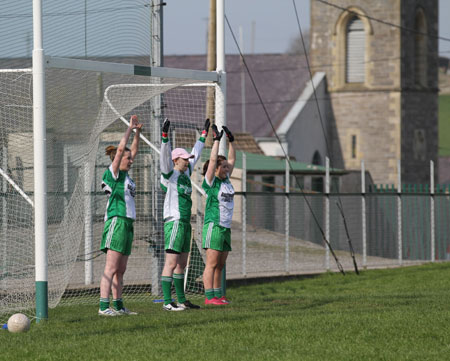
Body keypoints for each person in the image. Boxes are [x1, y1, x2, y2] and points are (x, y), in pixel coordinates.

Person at [159, 118, 210, 311]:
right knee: (171, 262)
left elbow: (196, 153)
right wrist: (165, 138)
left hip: (186, 222)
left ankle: (181, 300)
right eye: (184, 158)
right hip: (174, 222)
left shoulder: (186, 172)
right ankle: (167, 302)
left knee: (182, 263)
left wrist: (203, 136)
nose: (188, 160)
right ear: (175, 160)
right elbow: (164, 158)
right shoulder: (169, 174)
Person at [98, 115, 143, 316]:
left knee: (121, 269)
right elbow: (122, 150)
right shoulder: (114, 173)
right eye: (127, 158)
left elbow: (133, 150)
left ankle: (118, 305)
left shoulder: (126, 176)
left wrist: (138, 133)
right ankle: (103, 307)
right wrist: (129, 128)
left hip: (127, 224)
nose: (131, 159)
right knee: (111, 267)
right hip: (116, 222)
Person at [202, 125, 235, 305]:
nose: (226, 168)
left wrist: (231, 141)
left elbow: (231, 158)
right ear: (215, 169)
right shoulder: (212, 183)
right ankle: (209, 297)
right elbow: (213, 160)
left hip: (226, 228)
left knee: (220, 265)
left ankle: (218, 295)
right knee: (212, 264)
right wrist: (216, 140)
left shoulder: (226, 180)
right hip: (214, 226)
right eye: (223, 167)